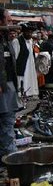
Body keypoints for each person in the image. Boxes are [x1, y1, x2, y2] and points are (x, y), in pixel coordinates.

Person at [0, 8, 19, 158]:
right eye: (8, 19)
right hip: (3, 88)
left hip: (10, 87)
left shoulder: (7, 40)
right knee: (6, 124)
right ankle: (12, 157)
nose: (11, 22)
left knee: (7, 122)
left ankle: (6, 156)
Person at [12, 22, 39, 98]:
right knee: (22, 85)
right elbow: (15, 58)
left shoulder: (31, 41)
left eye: (31, 32)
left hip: (30, 66)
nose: (29, 34)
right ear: (23, 32)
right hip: (22, 68)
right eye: (27, 32)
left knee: (30, 83)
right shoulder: (17, 41)